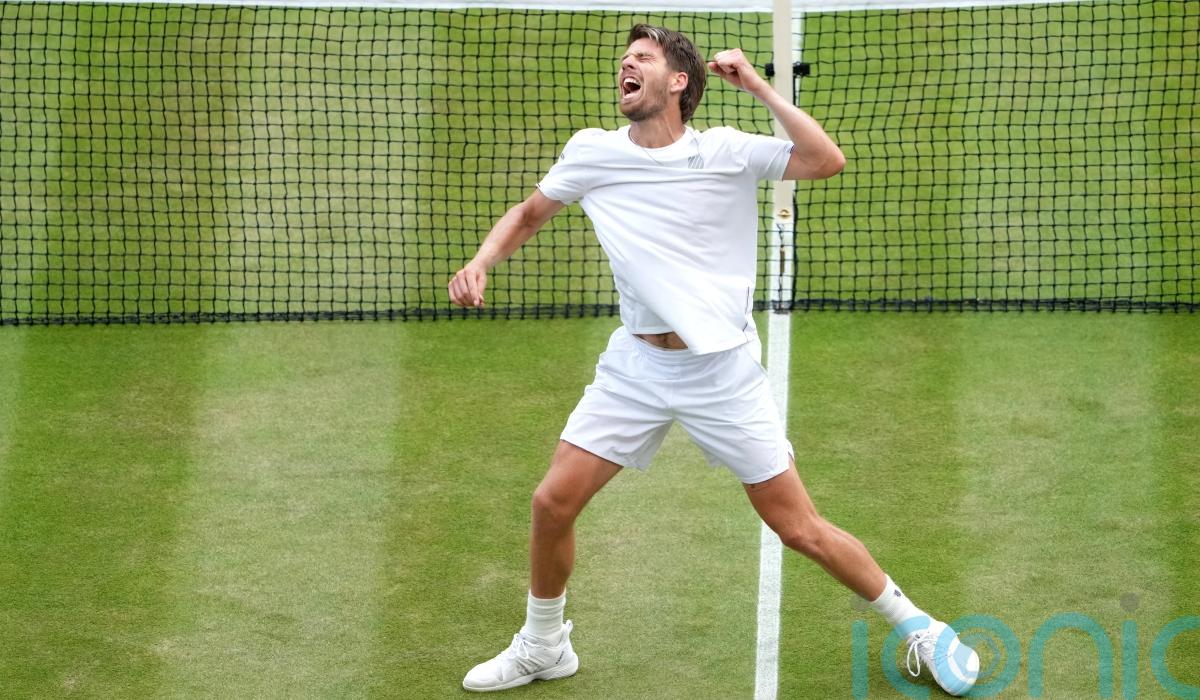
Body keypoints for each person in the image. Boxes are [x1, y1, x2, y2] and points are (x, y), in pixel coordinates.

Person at [449, 24, 980, 696]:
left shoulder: (726, 151)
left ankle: (920, 626)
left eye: (643, 58)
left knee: (798, 528)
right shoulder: (592, 152)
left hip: (722, 373)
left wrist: (757, 85)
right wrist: (481, 262)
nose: (626, 65)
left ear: (679, 82)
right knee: (552, 502)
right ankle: (544, 645)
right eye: (625, 59)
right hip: (637, 367)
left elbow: (825, 160)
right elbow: (528, 215)